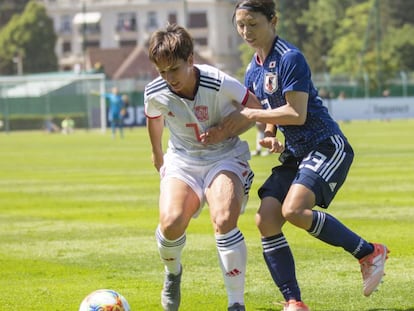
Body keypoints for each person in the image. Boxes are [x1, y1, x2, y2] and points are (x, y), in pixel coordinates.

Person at [231, 1, 389, 311]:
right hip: (296, 154)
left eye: (253, 23)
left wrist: (252, 115)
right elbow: (271, 117)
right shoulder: (253, 69)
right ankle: (294, 302)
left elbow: (296, 112)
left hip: (326, 145)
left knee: (294, 210)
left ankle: (369, 252)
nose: (246, 31)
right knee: (266, 219)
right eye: (240, 25)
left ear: (273, 21)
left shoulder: (291, 58)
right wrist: (269, 136)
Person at [144, 24, 262, 311]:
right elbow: (154, 117)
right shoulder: (155, 90)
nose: (168, 78)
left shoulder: (218, 81)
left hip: (224, 156)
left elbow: (255, 107)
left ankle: (236, 303)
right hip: (183, 160)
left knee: (223, 219)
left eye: (174, 69)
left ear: (190, 60)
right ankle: (173, 274)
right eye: (162, 72)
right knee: (171, 223)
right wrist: (157, 153)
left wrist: (225, 130)